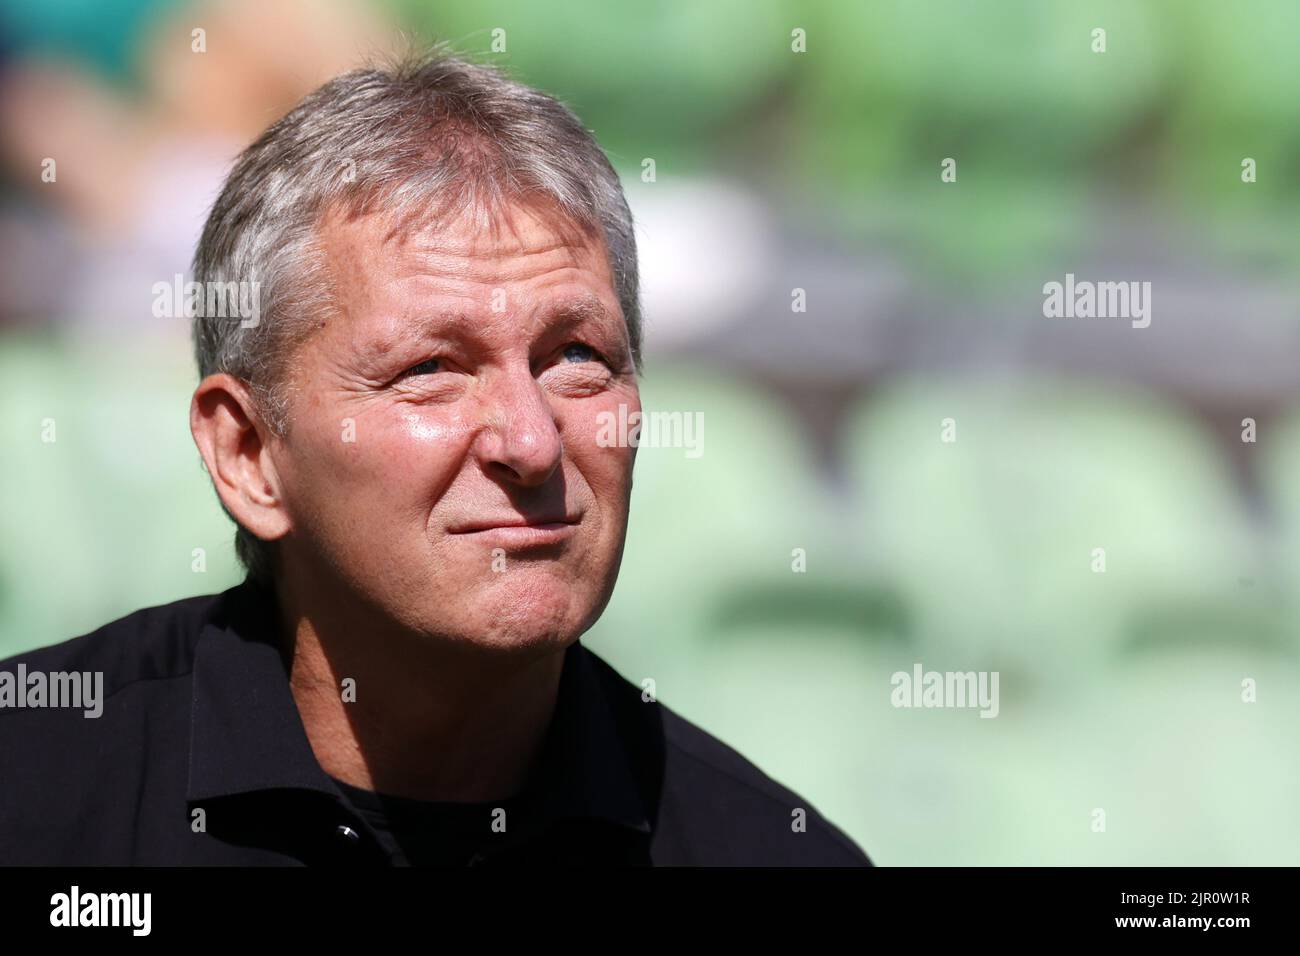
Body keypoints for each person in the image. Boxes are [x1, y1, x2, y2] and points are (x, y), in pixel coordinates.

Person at [0, 44, 871, 867]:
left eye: (578, 357)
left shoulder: (766, 851)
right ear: (248, 452)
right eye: (431, 370)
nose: (531, 444)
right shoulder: (38, 795)